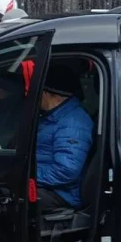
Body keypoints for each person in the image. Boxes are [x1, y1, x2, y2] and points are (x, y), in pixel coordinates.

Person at [35, 61, 94, 210]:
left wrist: (29, 177)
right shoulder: (54, 117)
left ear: (49, 93)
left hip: (62, 194)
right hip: (48, 184)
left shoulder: (73, 123)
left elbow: (66, 171)